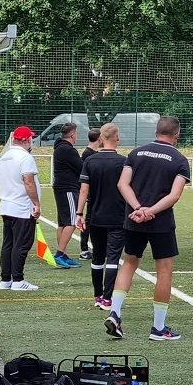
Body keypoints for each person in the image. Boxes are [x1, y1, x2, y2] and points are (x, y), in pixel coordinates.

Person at [104, 116, 190, 342]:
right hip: (161, 223)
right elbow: (175, 195)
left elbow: (122, 184)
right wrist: (150, 211)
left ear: (155, 131)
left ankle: (115, 313)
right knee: (164, 271)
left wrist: (139, 208)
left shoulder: (136, 153)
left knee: (129, 263)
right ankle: (158, 328)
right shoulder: (179, 159)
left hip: (134, 219)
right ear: (177, 135)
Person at [76, 124, 126, 311]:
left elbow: (84, 190)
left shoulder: (90, 161)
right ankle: (107, 298)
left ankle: (98, 295)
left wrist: (79, 213)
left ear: (101, 138)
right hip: (118, 217)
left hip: (95, 216)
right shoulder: (124, 162)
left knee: (97, 257)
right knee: (113, 258)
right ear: (117, 137)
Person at [0, 125, 41, 291]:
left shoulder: (5, 157)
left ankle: (5, 279)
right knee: (21, 244)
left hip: (7, 205)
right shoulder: (25, 157)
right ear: (27, 139)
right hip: (22, 206)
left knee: (8, 243)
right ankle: (17, 279)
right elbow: (28, 182)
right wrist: (36, 203)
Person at [51, 122, 83, 268]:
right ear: (72, 134)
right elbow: (81, 167)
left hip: (61, 187)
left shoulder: (59, 148)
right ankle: (60, 253)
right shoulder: (67, 150)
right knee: (71, 221)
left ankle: (63, 254)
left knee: (63, 223)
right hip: (68, 188)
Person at [78, 127, 102, 260]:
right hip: (92, 192)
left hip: (97, 191)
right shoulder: (88, 154)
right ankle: (84, 249)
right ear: (99, 138)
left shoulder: (95, 153)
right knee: (88, 221)